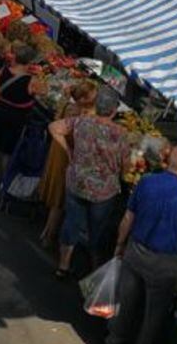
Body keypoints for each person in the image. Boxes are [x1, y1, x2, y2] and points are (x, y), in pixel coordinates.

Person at [107, 145, 177, 344]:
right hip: (164, 264)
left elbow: (128, 218)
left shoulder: (147, 182)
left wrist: (120, 244)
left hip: (136, 250)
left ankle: (114, 341)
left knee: (125, 299)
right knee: (154, 316)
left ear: (169, 161)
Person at [51, 85, 127, 277]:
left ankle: (63, 265)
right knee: (97, 230)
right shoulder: (119, 134)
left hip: (77, 182)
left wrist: (69, 152)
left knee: (71, 223)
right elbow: (125, 165)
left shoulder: (82, 121)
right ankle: (94, 269)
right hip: (103, 192)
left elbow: (54, 127)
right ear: (113, 110)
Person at [39, 79, 97, 244]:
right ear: (84, 98)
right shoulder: (77, 114)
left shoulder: (67, 105)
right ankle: (48, 235)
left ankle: (47, 231)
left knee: (56, 198)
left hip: (57, 153)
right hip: (65, 157)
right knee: (59, 198)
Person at [0, 44, 37, 182]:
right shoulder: (31, 80)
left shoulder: (4, 71)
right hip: (16, 117)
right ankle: (4, 180)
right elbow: (40, 92)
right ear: (29, 62)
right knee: (7, 150)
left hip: (0, 110)